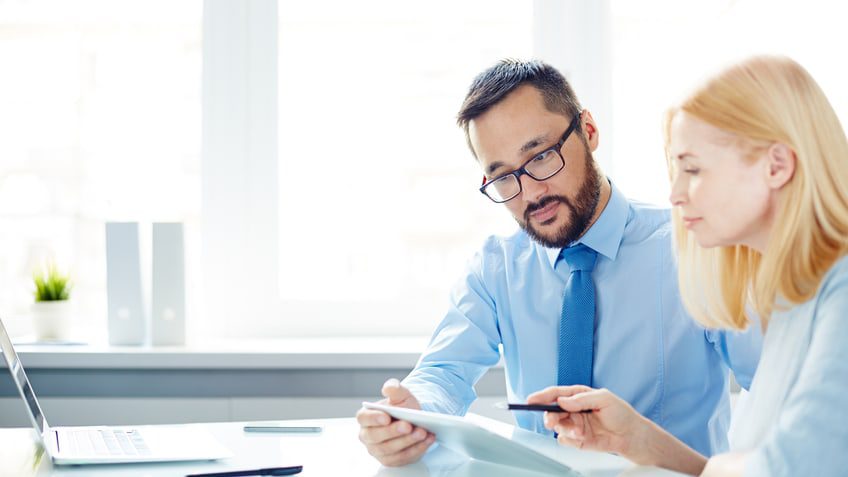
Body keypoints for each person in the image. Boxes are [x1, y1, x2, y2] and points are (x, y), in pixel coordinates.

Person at [356, 59, 762, 467]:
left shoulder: (695, 249)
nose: (530, 192)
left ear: (588, 130)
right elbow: (442, 373)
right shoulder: (496, 267)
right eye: (502, 178)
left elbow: (773, 389)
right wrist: (410, 412)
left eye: (541, 156)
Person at [529, 55, 848, 476]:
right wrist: (635, 439)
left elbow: (787, 468)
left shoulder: (839, 292)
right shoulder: (793, 300)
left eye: (693, 169)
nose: (675, 195)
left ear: (777, 165)